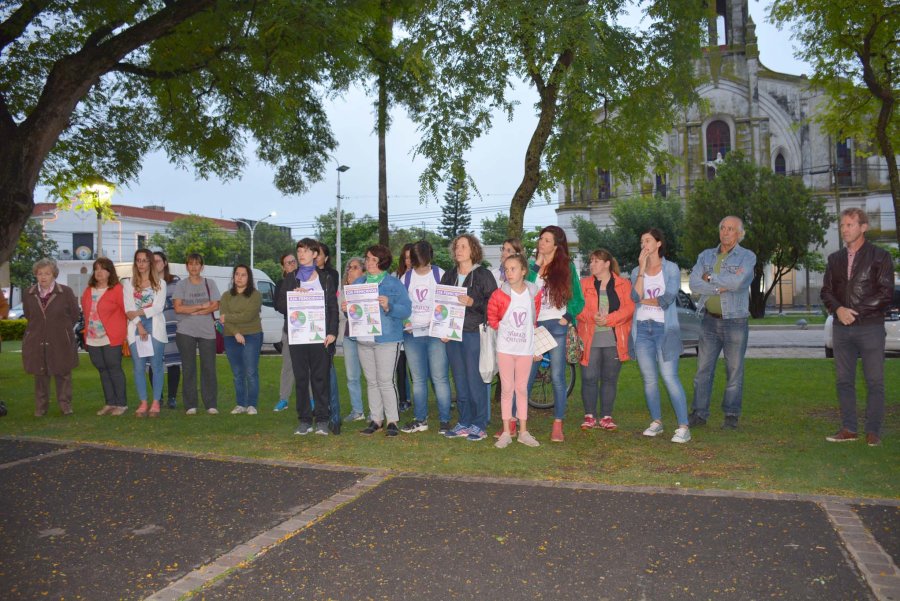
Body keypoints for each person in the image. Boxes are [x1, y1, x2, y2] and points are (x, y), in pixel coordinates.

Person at [821, 208, 894, 446]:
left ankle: (873, 432)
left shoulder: (880, 257)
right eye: (842, 225)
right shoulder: (834, 259)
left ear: (863, 227)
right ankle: (849, 428)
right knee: (844, 381)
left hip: (870, 327)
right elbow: (826, 292)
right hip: (842, 329)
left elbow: (886, 294)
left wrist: (856, 312)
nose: (844, 229)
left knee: (875, 382)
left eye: (850, 225)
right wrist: (839, 310)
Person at [688, 216, 757, 430]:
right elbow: (693, 283)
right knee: (702, 371)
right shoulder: (706, 255)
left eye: (730, 229)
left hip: (735, 321)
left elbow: (738, 282)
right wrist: (720, 286)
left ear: (739, 234)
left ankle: (731, 415)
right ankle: (699, 414)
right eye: (723, 228)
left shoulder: (747, 257)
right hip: (709, 321)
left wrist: (710, 278)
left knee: (734, 370)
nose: (725, 232)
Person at [629, 228, 691, 444]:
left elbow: (667, 298)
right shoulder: (637, 270)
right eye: (641, 241)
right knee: (649, 380)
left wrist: (642, 300)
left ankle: (684, 426)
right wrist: (641, 271)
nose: (643, 244)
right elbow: (634, 295)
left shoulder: (671, 269)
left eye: (647, 240)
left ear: (658, 244)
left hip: (664, 330)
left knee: (669, 377)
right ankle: (657, 422)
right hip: (642, 330)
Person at [524, 225, 584, 442]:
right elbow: (524, 292)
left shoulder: (567, 267)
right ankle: (515, 422)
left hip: (558, 326)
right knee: (527, 376)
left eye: (547, 240)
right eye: (541, 239)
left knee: (558, 377)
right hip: (536, 326)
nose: (542, 242)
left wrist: (566, 318)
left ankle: (558, 423)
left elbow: (578, 299)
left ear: (557, 245)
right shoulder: (533, 267)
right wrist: (537, 265)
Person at [276, 238, 339, 435]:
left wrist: (332, 332)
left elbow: (332, 308)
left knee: (320, 378)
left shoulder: (326, 278)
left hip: (320, 337)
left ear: (315, 254)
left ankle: (322, 419)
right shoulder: (291, 278)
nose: (301, 254)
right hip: (297, 336)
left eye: (305, 250)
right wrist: (294, 296)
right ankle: (304, 420)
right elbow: (279, 305)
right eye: (299, 250)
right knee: (302, 379)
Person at [350, 244, 411, 437]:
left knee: (385, 381)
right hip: (363, 338)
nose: (369, 262)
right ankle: (376, 419)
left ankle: (392, 420)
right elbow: (353, 313)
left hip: (387, 338)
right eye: (367, 258)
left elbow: (406, 310)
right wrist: (347, 308)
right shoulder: (358, 283)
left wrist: (389, 306)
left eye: (373, 260)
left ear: (383, 262)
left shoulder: (394, 284)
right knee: (371, 381)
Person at [441, 234, 498, 441]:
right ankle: (464, 422)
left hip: (474, 333)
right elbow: (441, 306)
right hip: (452, 335)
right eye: (456, 246)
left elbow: (494, 306)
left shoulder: (484, 275)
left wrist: (473, 302)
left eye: (463, 246)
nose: (458, 250)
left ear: (473, 250)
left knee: (475, 380)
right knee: (460, 380)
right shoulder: (448, 275)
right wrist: (442, 329)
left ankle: (479, 424)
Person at [487, 253, 543, 448]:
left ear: (524, 271)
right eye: (506, 269)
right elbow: (492, 318)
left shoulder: (534, 293)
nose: (509, 273)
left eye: (513, 269)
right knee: (507, 389)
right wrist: (504, 332)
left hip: (525, 350)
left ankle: (523, 432)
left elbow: (533, 321)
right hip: (505, 349)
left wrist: (535, 346)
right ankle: (505, 432)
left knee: (521, 389)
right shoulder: (499, 294)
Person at [576, 249, 634, 432]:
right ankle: (590, 416)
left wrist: (608, 319)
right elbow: (576, 306)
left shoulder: (624, 284)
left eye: (596, 261)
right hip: (589, 338)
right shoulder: (583, 284)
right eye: (590, 261)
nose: (591, 264)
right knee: (588, 378)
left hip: (613, 339)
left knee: (609, 379)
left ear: (607, 263)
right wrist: (592, 317)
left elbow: (629, 309)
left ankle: (607, 416)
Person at [399, 240, 452, 434]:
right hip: (413, 335)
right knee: (419, 379)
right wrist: (406, 321)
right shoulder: (406, 278)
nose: (421, 266)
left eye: (424, 261)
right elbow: (402, 305)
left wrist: (444, 328)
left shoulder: (440, 274)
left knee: (440, 377)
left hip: (436, 334)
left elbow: (449, 303)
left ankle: (445, 420)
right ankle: (420, 419)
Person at [22, 258, 79, 416]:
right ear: (36, 275)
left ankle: (65, 406)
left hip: (60, 339)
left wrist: (62, 329)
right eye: (40, 273)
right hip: (37, 339)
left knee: (63, 372)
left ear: (54, 274)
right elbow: (29, 315)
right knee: (40, 374)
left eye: (47, 273)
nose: (43, 277)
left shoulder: (65, 292)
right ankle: (41, 408)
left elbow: (74, 314)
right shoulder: (29, 293)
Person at [173, 253, 220, 415]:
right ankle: (190, 404)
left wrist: (195, 311)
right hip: (185, 331)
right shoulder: (181, 285)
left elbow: (215, 306)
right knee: (189, 368)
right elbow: (178, 308)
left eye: (197, 264)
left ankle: (211, 404)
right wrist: (201, 306)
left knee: (209, 368)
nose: (194, 267)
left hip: (207, 331)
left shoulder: (210, 283)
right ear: (186, 266)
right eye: (190, 264)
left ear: (202, 266)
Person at [123, 249, 168, 417]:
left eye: (144, 260)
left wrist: (139, 312)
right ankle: (143, 402)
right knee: (138, 367)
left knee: (156, 366)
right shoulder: (128, 283)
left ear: (150, 262)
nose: (141, 264)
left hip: (155, 326)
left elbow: (158, 307)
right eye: (138, 260)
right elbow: (128, 309)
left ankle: (156, 402)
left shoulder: (160, 284)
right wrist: (139, 325)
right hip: (136, 327)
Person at [81, 257, 128, 416]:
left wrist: (126, 333)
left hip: (111, 337)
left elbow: (125, 311)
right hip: (93, 337)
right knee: (102, 369)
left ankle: (121, 404)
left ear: (110, 272)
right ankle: (110, 402)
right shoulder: (88, 290)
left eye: (103, 269)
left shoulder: (117, 289)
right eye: (96, 269)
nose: (99, 272)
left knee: (114, 368)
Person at [220, 265, 263, 415]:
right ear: (233, 277)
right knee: (237, 373)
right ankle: (240, 404)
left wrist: (229, 318)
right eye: (237, 274)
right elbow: (222, 317)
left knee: (251, 371)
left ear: (249, 277)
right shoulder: (226, 296)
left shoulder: (256, 295)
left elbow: (248, 316)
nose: (239, 277)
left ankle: (252, 404)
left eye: (243, 275)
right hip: (231, 337)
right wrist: (236, 333)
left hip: (252, 335)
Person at [315, 242, 343, 434]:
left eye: (319, 254)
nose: (315, 257)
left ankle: (335, 416)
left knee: (328, 374)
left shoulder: (330, 276)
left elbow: (330, 305)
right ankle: (319, 413)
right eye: (312, 253)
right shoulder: (300, 276)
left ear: (326, 258)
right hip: (307, 333)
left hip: (325, 331)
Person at [152, 251, 182, 409]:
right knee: (153, 363)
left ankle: (172, 397)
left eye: (158, 261)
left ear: (164, 262)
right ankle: (158, 397)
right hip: (154, 328)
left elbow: (180, 302)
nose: (155, 264)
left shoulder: (175, 281)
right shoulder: (147, 283)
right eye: (153, 261)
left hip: (172, 326)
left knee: (174, 362)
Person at [340, 257, 367, 422]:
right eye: (349, 267)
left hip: (367, 336)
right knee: (352, 376)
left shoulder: (370, 288)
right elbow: (342, 314)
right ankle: (357, 411)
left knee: (372, 377)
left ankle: (377, 411)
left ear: (363, 271)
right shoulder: (344, 290)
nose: (350, 270)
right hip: (349, 336)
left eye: (355, 267)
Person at [274, 252, 298, 412]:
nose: (292, 265)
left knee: (308, 367)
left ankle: (311, 399)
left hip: (306, 330)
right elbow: (279, 306)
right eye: (288, 263)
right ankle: (284, 399)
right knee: (288, 366)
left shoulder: (306, 279)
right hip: (289, 329)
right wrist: (294, 298)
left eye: (293, 262)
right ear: (283, 267)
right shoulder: (280, 283)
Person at [394, 242, 414, 413]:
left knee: (417, 370)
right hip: (401, 329)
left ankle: (421, 398)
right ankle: (403, 399)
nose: (409, 261)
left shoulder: (426, 275)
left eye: (411, 257)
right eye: (406, 258)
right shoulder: (396, 277)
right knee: (400, 367)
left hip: (418, 329)